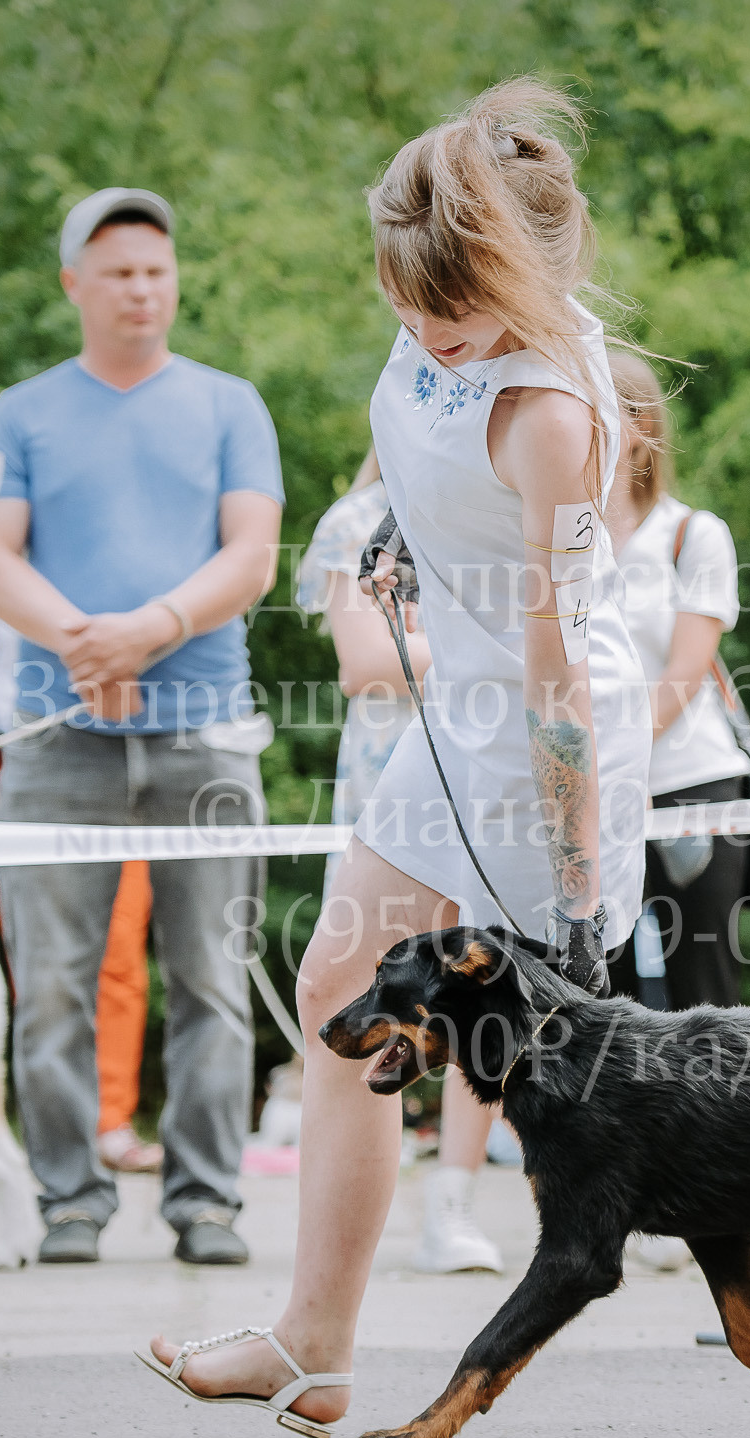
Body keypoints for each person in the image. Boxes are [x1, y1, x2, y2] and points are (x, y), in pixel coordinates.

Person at [146, 83, 750, 1435]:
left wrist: (577, 883)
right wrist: (398, 532)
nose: (418, 334)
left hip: (538, 753)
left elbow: (563, 674)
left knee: (554, 1083)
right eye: (400, 306)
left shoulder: (556, 416)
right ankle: (314, 1343)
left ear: (517, 279)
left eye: (442, 317)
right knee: (340, 989)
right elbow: (420, 456)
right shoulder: (435, 323)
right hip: (450, 717)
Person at [0, 186, 283, 1266]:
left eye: (156, 269)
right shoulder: (21, 413)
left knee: (209, 978)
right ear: (75, 287)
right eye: (117, 273)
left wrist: (147, 631)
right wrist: (77, 641)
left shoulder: (231, 403)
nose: (142, 289)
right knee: (49, 979)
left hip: (205, 731)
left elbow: (251, 555)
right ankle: (70, 1197)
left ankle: (205, 1199)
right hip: (56, 738)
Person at [300, 454, 503, 1274]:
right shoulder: (356, 524)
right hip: (394, 780)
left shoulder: (494, 509)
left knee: (478, 991)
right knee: (356, 990)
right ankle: (344, 1230)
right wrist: (492, 647)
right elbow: (365, 665)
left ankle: (452, 1204)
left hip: (489, 771)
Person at [0, 553, 161, 1174]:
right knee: (41, 960)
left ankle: (110, 1122)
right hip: (15, 760)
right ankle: (47, 1131)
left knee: (121, 949)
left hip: (116, 752)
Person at [600, 349, 750, 1010]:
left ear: (638, 426)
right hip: (596, 790)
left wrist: (621, 761)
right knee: (606, 990)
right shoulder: (554, 539)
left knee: (704, 990)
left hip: (691, 782)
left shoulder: (692, 534)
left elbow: (686, 670)